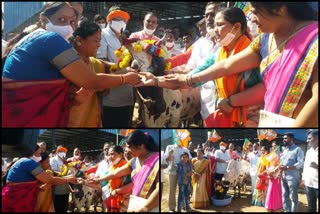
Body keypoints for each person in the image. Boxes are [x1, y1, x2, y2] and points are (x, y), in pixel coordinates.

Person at [156, 2, 318, 127]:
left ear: (280, 8)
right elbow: (226, 66)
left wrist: (283, 132)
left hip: (278, 123)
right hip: (255, 120)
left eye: (255, 11)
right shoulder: (265, 40)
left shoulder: (314, 41)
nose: (252, 18)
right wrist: (182, 79)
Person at [2, 2, 140, 127]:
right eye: (61, 19)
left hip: (16, 115)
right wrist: (125, 78)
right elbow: (91, 81)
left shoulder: (32, 37)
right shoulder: (50, 39)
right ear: (43, 19)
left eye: (73, 21)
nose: (68, 26)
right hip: (24, 117)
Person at [91, 130, 160, 212]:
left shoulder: (157, 161)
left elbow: (159, 190)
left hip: (150, 207)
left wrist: (143, 209)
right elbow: (116, 173)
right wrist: (99, 180)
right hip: (134, 204)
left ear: (141, 146)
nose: (127, 150)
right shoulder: (134, 161)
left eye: (129, 147)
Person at [2, 145, 77, 212]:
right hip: (17, 200)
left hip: (16, 198)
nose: (40, 156)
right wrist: (68, 179)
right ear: (32, 153)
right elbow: (50, 179)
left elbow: (27, 182)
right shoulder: (29, 162)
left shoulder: (23, 161)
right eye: (38, 154)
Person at [96, 5, 136, 128]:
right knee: (111, 123)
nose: (121, 22)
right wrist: (125, 71)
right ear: (109, 19)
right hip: (110, 94)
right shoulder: (102, 35)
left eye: (123, 20)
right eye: (117, 19)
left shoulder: (124, 39)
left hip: (127, 94)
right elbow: (100, 62)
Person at [68, 21, 106, 127]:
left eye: (99, 41)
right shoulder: (68, 63)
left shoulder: (94, 62)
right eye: (95, 41)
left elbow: (109, 72)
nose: (99, 45)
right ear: (79, 40)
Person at [280, 132, 305, 212]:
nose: (284, 140)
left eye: (286, 138)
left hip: (293, 177)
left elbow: (300, 163)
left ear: (292, 139)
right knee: (284, 195)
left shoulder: (298, 149)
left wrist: (287, 167)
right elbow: (282, 161)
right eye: (283, 138)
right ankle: (286, 210)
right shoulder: (285, 150)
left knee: (293, 197)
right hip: (283, 176)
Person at [164, 144, 192, 212]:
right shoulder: (169, 147)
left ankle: (184, 206)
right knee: (172, 189)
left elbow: (190, 160)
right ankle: (172, 207)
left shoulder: (185, 149)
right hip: (173, 171)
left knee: (183, 189)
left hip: (183, 173)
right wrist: (170, 155)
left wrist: (190, 171)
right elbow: (166, 160)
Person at [50, 145, 71, 212]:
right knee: (58, 207)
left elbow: (70, 171)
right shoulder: (53, 160)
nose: (63, 152)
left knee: (64, 208)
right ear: (57, 151)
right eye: (61, 151)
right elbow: (53, 171)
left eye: (64, 151)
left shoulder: (66, 161)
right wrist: (62, 174)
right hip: (57, 189)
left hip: (66, 188)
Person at [302, 129, 318, 212]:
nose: (307, 141)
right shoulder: (308, 152)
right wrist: (303, 178)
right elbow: (305, 166)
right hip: (309, 183)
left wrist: (317, 166)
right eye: (307, 139)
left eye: (309, 138)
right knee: (311, 207)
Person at [265, 143, 283, 212]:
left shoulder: (281, 154)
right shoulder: (270, 155)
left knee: (277, 190)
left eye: (275, 146)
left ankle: (278, 206)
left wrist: (275, 170)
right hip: (271, 173)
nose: (274, 147)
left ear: (278, 146)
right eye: (273, 146)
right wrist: (268, 171)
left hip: (278, 173)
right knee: (270, 190)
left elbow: (281, 164)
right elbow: (267, 164)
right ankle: (270, 206)